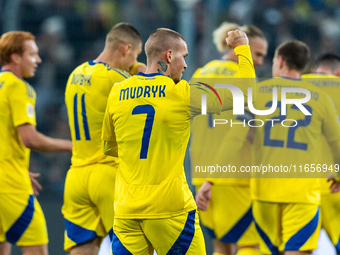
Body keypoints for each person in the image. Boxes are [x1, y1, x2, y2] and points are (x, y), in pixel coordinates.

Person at [102, 28, 255, 254]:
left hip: (127, 210)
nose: (185, 65)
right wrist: (242, 47)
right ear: (169, 55)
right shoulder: (182, 94)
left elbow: (109, 146)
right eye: (184, 57)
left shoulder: (117, 92)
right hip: (170, 211)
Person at [251, 40, 340, 255]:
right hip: (314, 188)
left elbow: (242, 136)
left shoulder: (260, 91)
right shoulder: (325, 95)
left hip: (265, 189)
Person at [62, 22, 143, 255]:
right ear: (126, 49)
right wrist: (139, 67)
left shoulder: (75, 73)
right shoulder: (116, 79)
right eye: (135, 55)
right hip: (108, 175)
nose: (133, 62)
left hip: (77, 175)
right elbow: (153, 84)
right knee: (132, 247)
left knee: (82, 249)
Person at [192, 22, 267, 255]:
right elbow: (248, 131)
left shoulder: (199, 74)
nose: (260, 61)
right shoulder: (244, 78)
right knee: (249, 245)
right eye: (257, 53)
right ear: (240, 47)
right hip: (234, 176)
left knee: (220, 246)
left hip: (200, 176)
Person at [0, 31, 72, 255]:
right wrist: (71, 145)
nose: (38, 60)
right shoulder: (19, 87)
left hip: (8, 177)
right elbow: (29, 138)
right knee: (38, 247)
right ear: (16, 57)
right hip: (11, 187)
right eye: (32, 54)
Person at [302, 53, 340, 255]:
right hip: (335, 186)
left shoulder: (297, 87)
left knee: (299, 249)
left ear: (314, 70)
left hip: (302, 189)